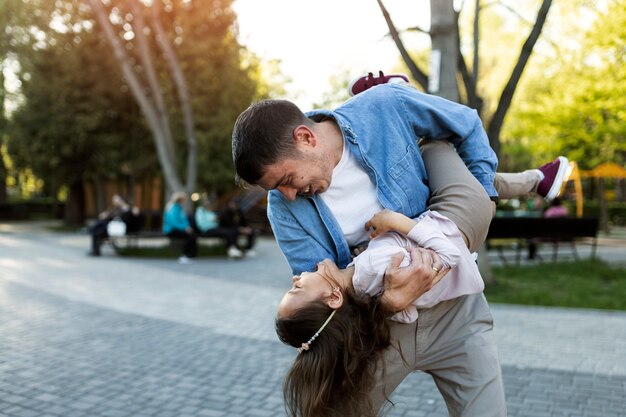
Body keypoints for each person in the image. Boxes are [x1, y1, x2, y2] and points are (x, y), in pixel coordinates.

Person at [232, 81, 570, 417]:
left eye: (286, 180)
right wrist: (388, 305)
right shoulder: (283, 209)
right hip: (381, 330)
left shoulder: (384, 108)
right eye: (276, 189)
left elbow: (465, 125)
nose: (287, 195)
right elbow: (326, 303)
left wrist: (485, 197)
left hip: (456, 315)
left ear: (306, 138)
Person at [163, 191, 197, 264]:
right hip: (171, 230)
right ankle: (185, 255)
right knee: (189, 236)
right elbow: (173, 222)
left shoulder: (179, 208)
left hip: (179, 228)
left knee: (192, 235)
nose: (184, 201)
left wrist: (187, 227)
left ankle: (191, 255)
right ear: (179, 200)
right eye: (183, 200)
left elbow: (184, 220)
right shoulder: (172, 208)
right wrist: (184, 228)